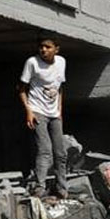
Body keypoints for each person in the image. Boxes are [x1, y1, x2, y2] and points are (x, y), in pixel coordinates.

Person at [19, 36, 69, 199]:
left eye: (48, 47)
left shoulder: (61, 62)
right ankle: (40, 187)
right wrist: (29, 111)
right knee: (45, 150)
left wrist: (60, 110)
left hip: (54, 113)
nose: (43, 50)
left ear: (56, 49)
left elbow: (60, 87)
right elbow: (21, 89)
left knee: (60, 153)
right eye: (41, 46)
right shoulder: (32, 62)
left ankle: (62, 188)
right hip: (37, 110)